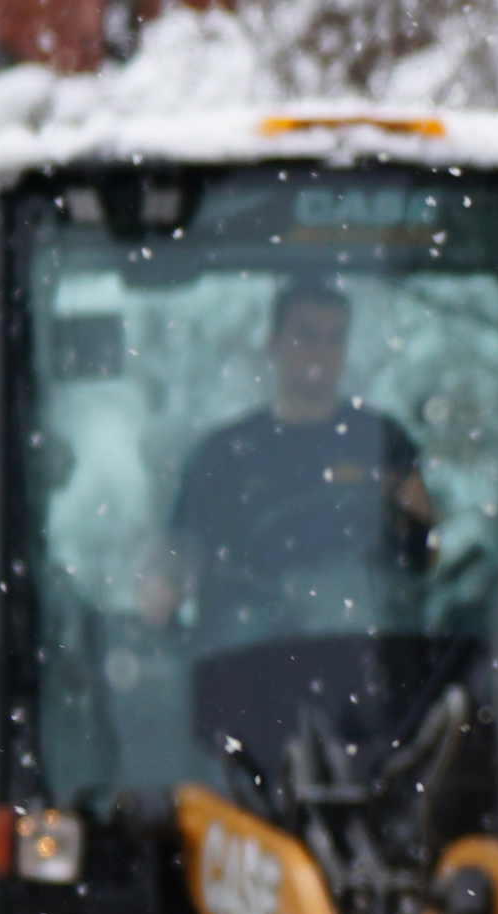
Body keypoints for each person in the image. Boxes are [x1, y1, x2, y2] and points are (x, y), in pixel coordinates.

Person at [134, 272, 435, 649]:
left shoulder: (382, 441)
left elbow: (423, 554)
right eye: (305, 335)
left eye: (335, 338)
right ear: (273, 344)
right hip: (245, 660)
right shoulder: (225, 454)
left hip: (362, 653)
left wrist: (413, 524)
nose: (320, 353)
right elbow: (177, 556)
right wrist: (163, 584)